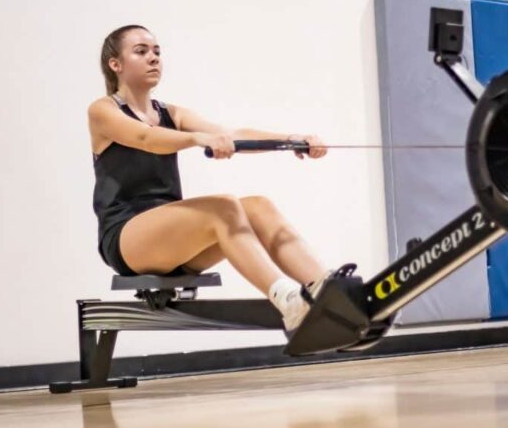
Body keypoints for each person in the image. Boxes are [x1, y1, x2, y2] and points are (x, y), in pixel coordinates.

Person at [88, 24, 330, 332]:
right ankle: (289, 302)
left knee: (257, 206)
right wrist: (197, 139)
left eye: (157, 52)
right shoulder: (103, 110)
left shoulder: (170, 112)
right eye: (141, 51)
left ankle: (326, 290)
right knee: (223, 206)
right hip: (126, 238)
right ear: (116, 64)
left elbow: (232, 134)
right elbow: (146, 138)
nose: (153, 58)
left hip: (174, 241)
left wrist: (292, 139)